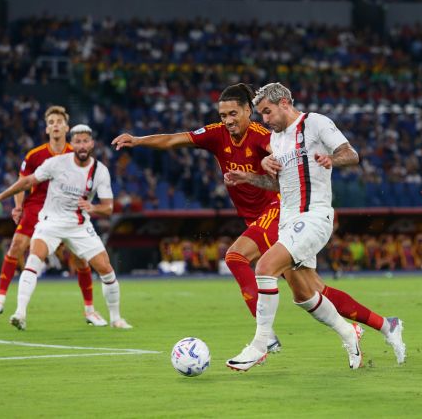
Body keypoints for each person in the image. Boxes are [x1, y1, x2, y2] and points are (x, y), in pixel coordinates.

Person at [112, 83, 406, 355]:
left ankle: (264, 338)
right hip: (257, 218)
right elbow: (174, 139)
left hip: (278, 212)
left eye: (233, 113)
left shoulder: (266, 136)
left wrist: (274, 165)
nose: (228, 120)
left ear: (247, 112)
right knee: (309, 291)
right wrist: (138, 140)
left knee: (237, 257)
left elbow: (288, 163)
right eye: (223, 114)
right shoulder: (216, 135)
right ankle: (379, 325)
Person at [224, 82, 405, 371]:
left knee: (264, 268)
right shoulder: (277, 140)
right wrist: (248, 178)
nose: (265, 120)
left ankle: (260, 345)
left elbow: (351, 154)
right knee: (305, 295)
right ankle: (372, 329)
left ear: (284, 103)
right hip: (288, 221)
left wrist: (331, 158)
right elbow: (278, 183)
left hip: (314, 217)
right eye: (262, 115)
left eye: (268, 112)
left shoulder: (316, 123)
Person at [0, 124, 131, 330]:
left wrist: (93, 207)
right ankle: (19, 313)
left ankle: (115, 319)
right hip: (51, 222)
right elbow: (27, 181)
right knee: (34, 257)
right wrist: (0, 196)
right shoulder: (56, 163)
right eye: (78, 141)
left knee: (106, 269)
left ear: (92, 144)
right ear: (72, 144)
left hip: (79, 226)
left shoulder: (99, 171)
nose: (82, 145)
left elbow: (108, 208)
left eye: (86, 141)